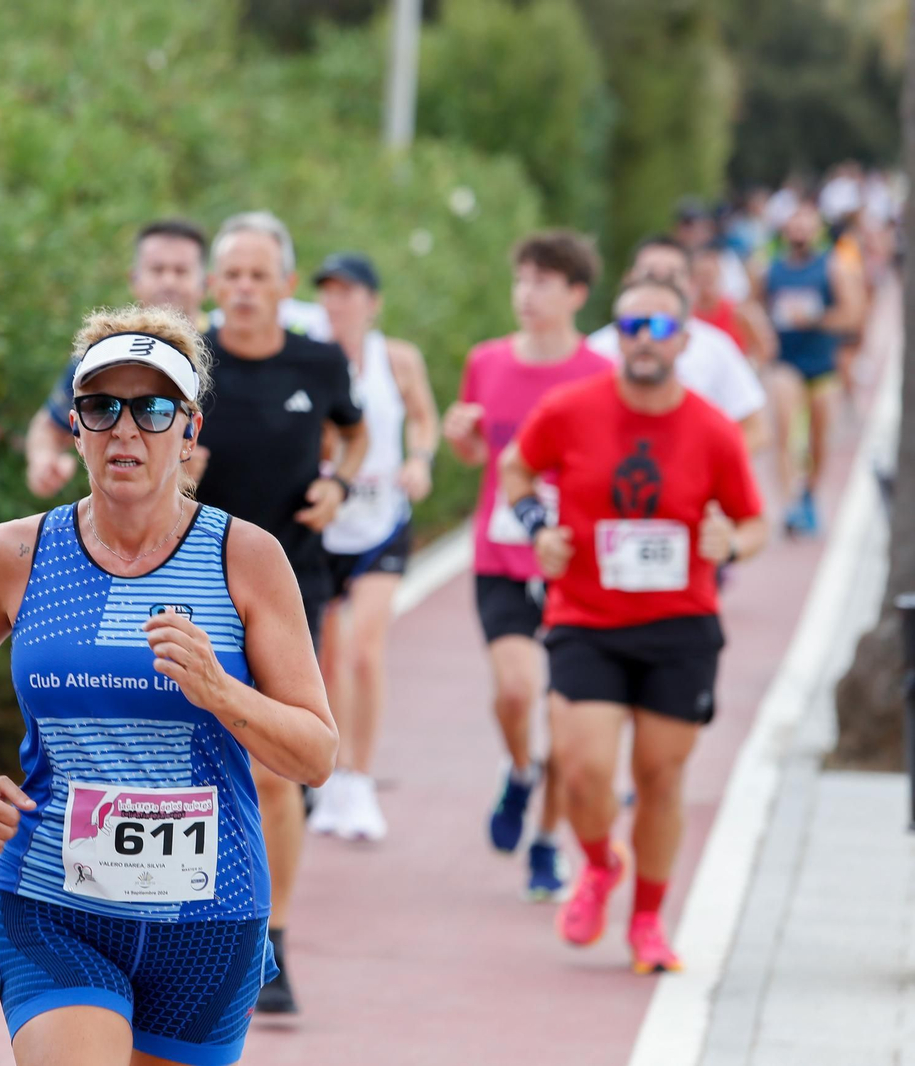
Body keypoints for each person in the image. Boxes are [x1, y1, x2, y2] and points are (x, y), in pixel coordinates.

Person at [0, 304, 339, 1066]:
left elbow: (314, 756)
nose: (126, 429)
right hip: (53, 900)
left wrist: (221, 690)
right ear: (75, 427)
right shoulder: (15, 553)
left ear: (190, 430)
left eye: (152, 408)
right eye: (102, 407)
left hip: (209, 918)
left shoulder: (246, 559)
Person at [501, 278, 767, 974]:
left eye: (658, 325)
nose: (643, 338)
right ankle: (597, 863)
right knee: (586, 771)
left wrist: (729, 545)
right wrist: (540, 531)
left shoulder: (712, 428)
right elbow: (516, 469)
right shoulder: (570, 409)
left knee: (660, 776)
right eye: (630, 326)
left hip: (680, 626)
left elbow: (754, 520)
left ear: (684, 339)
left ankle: (648, 920)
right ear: (616, 337)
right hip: (586, 619)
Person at [194, 211, 368, 1014]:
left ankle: (273, 941)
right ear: (213, 284)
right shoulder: (190, 357)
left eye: (260, 276)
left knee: (273, 770)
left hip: (293, 583)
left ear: (287, 287)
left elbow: (353, 433)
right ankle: (189, 927)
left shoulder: (319, 359)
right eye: (231, 275)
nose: (244, 290)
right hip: (195, 578)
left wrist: (339, 484)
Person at [442, 230, 612, 901]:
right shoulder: (486, 361)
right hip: (502, 555)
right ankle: (519, 771)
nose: (527, 294)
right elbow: (474, 456)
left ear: (576, 293)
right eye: (521, 280)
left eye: (543, 282)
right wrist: (459, 440)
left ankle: (547, 844)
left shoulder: (601, 374)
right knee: (517, 693)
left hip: (575, 562)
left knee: (569, 722)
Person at [304, 252, 439, 843]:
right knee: (328, 660)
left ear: (372, 302)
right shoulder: (308, 355)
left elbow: (424, 420)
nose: (338, 303)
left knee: (364, 649)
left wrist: (419, 460)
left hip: (382, 519)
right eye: (329, 292)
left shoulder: (398, 358)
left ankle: (359, 777)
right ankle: (330, 782)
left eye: (350, 292)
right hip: (325, 522)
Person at [26, 219, 211, 499]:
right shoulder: (105, 357)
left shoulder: (233, 350)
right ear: (134, 279)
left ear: (205, 283)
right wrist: (43, 462)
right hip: (120, 534)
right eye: (157, 269)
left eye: (181, 271)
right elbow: (51, 424)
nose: (169, 281)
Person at [588, 237, 770, 455]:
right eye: (650, 275)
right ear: (629, 279)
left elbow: (754, 428)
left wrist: (708, 467)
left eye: (672, 276)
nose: (660, 284)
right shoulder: (597, 347)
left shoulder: (715, 346)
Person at [764, 201, 866, 537]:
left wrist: (815, 319)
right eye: (794, 224)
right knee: (783, 428)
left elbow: (853, 313)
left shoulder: (833, 266)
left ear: (817, 229)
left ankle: (810, 494)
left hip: (822, 364)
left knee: (818, 440)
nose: (799, 231)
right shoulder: (770, 268)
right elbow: (752, 308)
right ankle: (790, 501)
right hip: (786, 362)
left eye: (806, 225)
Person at [690, 243, 777, 366]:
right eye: (701, 276)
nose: (705, 282)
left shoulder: (740, 311)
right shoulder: (687, 315)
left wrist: (749, 367)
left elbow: (765, 348)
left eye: (709, 276)